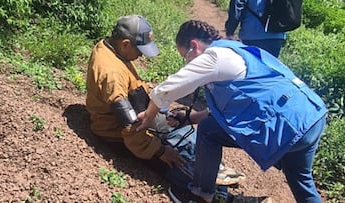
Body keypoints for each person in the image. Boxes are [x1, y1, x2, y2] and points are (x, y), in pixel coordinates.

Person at [136, 19, 327, 203]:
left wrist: (149, 115)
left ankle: (201, 194)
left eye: (185, 57)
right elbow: (234, 107)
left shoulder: (213, 57)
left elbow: (166, 89)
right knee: (300, 179)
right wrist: (191, 118)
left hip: (288, 125)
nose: (187, 63)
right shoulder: (234, 50)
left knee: (209, 130)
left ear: (194, 45)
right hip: (311, 117)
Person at [85, 15, 243, 191]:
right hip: (118, 134)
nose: (141, 56)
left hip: (138, 114)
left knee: (179, 126)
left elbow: (132, 88)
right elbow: (131, 127)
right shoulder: (112, 75)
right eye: (140, 51)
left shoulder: (112, 48)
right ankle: (213, 192)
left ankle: (209, 166)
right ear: (126, 44)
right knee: (173, 164)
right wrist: (159, 151)